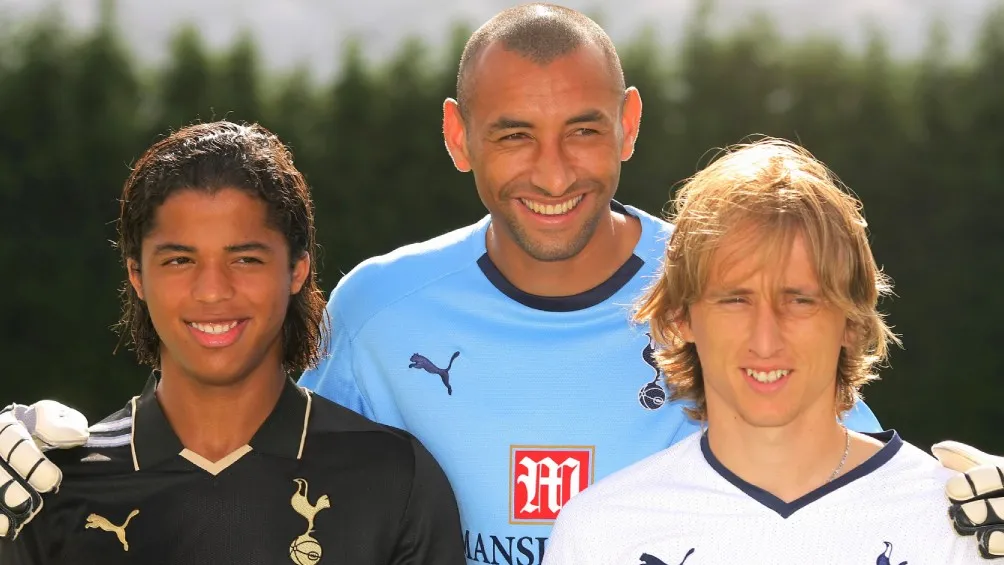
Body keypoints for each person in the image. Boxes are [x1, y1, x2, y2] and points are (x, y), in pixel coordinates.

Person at [0, 3, 1001, 562]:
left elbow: (858, 479)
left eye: (583, 130)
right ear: (455, 136)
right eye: (512, 135)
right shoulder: (380, 307)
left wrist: (975, 502)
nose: (553, 171)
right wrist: (66, 450)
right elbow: (239, 455)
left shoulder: (714, 275)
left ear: (630, 125)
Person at [0, 121, 465, 564]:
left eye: (244, 259)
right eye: (180, 260)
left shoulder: (396, 480)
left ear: (297, 270)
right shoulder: (45, 488)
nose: (212, 290)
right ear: (136, 276)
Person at [541, 138, 984, 564]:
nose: (766, 340)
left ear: (852, 320)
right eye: (735, 300)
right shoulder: (602, 533)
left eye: (800, 300)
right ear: (682, 318)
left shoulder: (960, 522)